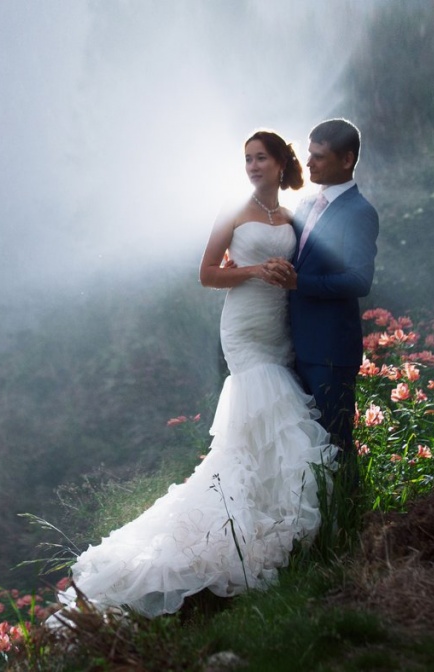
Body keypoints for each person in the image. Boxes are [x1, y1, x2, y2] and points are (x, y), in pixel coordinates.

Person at [50, 130, 336, 622]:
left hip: (278, 324)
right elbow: (206, 273)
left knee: (271, 421)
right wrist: (252, 271)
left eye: (260, 158)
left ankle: (272, 521)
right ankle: (238, 531)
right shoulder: (233, 210)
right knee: (270, 408)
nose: (252, 166)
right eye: (247, 159)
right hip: (244, 327)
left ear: (280, 162)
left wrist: (284, 279)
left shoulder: (291, 216)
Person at [272, 118, 379, 494]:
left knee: (335, 443)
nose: (309, 163)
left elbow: (359, 280)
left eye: (319, 156)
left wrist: (300, 283)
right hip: (293, 343)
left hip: (330, 350)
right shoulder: (305, 203)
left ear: (346, 159)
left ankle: (348, 520)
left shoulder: (359, 212)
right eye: (309, 154)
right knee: (303, 444)